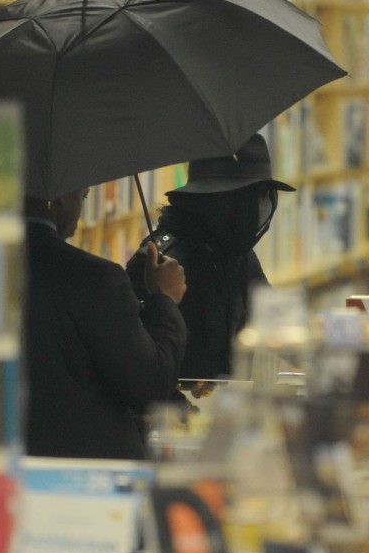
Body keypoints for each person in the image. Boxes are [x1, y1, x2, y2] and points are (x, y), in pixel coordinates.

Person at [22, 188, 187, 460]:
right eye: (83, 196)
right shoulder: (95, 279)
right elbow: (149, 386)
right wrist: (165, 300)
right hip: (89, 476)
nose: (81, 211)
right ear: (60, 197)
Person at [126, 134, 295, 381]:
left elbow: (277, 325)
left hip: (229, 409)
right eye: (252, 197)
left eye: (263, 196)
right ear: (220, 199)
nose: (259, 208)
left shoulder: (236, 254)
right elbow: (141, 367)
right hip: (175, 412)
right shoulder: (158, 262)